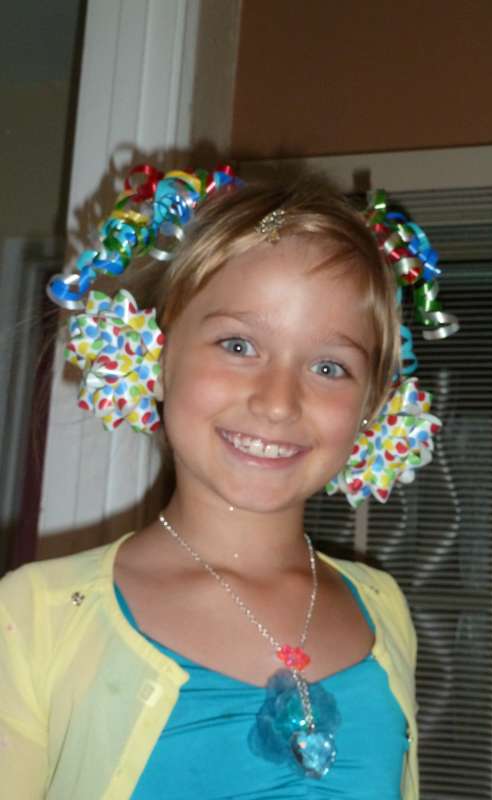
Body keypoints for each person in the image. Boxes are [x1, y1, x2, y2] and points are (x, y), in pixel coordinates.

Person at [0, 166, 454, 798]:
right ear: (154, 354)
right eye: (238, 345)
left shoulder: (385, 609)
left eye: (330, 367)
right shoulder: (32, 618)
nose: (278, 401)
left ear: (374, 404)